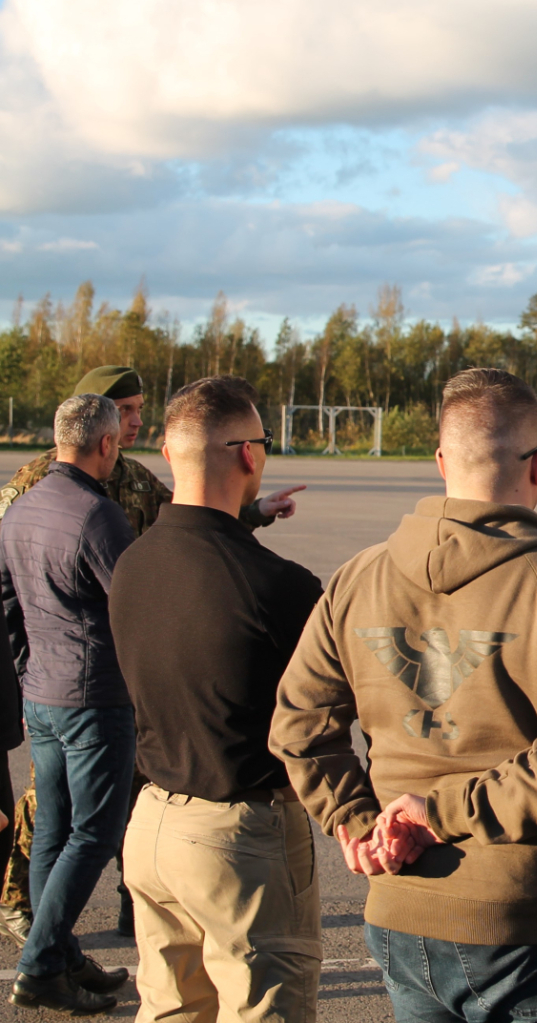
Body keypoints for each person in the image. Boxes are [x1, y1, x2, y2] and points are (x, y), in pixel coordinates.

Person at [271, 367, 537, 1023]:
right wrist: (437, 815)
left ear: (441, 462)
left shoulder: (358, 578)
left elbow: (298, 724)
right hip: (529, 921)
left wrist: (357, 822)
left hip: (400, 911)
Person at [0, 364, 304, 944]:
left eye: (140, 410)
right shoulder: (37, 487)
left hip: (115, 673)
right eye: (126, 411)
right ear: (99, 422)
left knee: (138, 791)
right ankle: (31, 922)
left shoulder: (133, 478)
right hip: (79, 678)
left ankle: (128, 908)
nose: (135, 421)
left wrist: (253, 512)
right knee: (57, 814)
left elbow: (191, 516)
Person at [110, 377, 325, 1023]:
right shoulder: (278, 586)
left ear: (169, 454)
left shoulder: (132, 563)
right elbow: (327, 718)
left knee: (170, 1007)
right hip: (239, 838)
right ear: (248, 455)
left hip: (151, 824)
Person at [1, 394, 137, 1014]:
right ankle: (40, 966)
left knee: (53, 832)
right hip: (93, 698)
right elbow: (134, 610)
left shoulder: (20, 508)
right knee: (95, 832)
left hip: (42, 694)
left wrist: (28, 672)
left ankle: (59, 952)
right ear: (106, 443)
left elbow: (8, 603)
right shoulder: (98, 515)